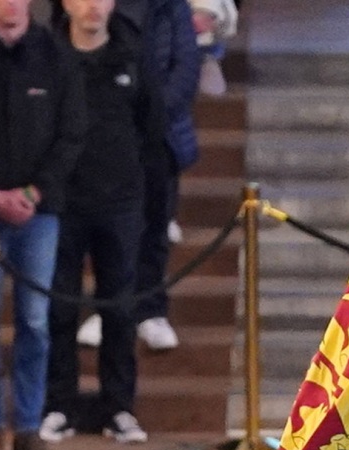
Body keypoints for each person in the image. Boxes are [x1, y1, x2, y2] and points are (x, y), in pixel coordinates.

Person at [0, 0, 87, 450]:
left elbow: (71, 133)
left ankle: (28, 427)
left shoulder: (57, 57)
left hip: (39, 212)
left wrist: (33, 192)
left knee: (34, 321)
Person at [42, 0, 166, 446]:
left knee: (119, 307)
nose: (93, 5)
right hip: (63, 202)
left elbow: (152, 133)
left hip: (120, 204)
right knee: (59, 307)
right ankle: (59, 404)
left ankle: (119, 406)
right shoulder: (50, 57)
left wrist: (149, 204)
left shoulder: (133, 56)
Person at [127, 0, 200, 356]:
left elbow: (185, 69)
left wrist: (150, 115)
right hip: (111, 135)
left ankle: (151, 310)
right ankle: (108, 306)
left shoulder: (172, 6)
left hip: (160, 135)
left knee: (154, 229)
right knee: (111, 231)